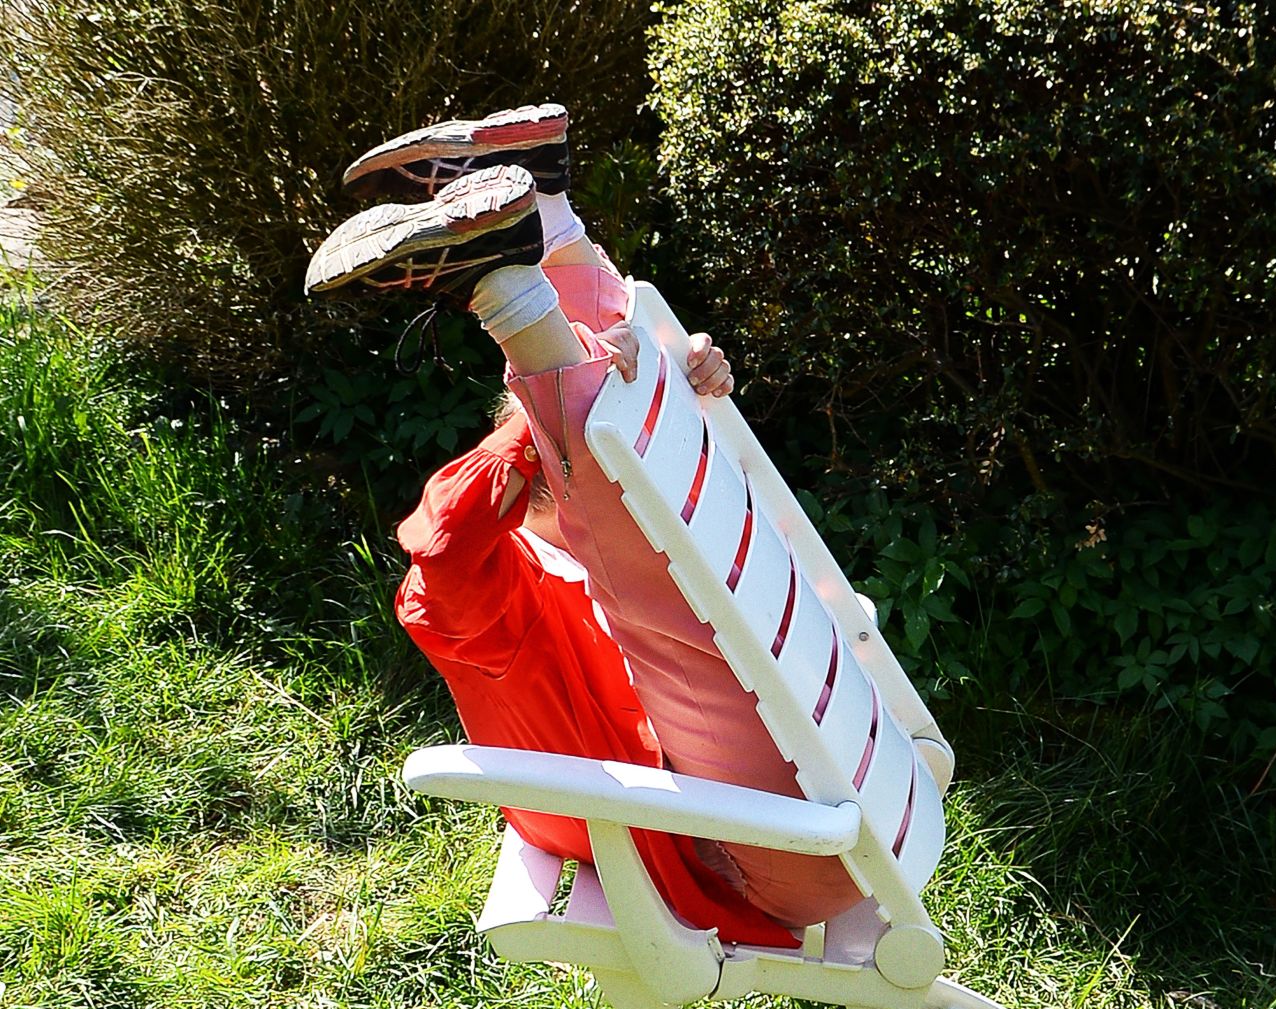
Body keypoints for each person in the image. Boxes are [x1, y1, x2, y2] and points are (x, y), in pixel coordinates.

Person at [308, 105, 862, 934]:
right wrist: (547, 427)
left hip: (809, 812)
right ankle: (524, 270)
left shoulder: (646, 556)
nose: (627, 478)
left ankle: (539, 232)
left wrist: (682, 386)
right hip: (752, 852)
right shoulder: (501, 599)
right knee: (663, 592)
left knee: (690, 557)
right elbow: (444, 552)